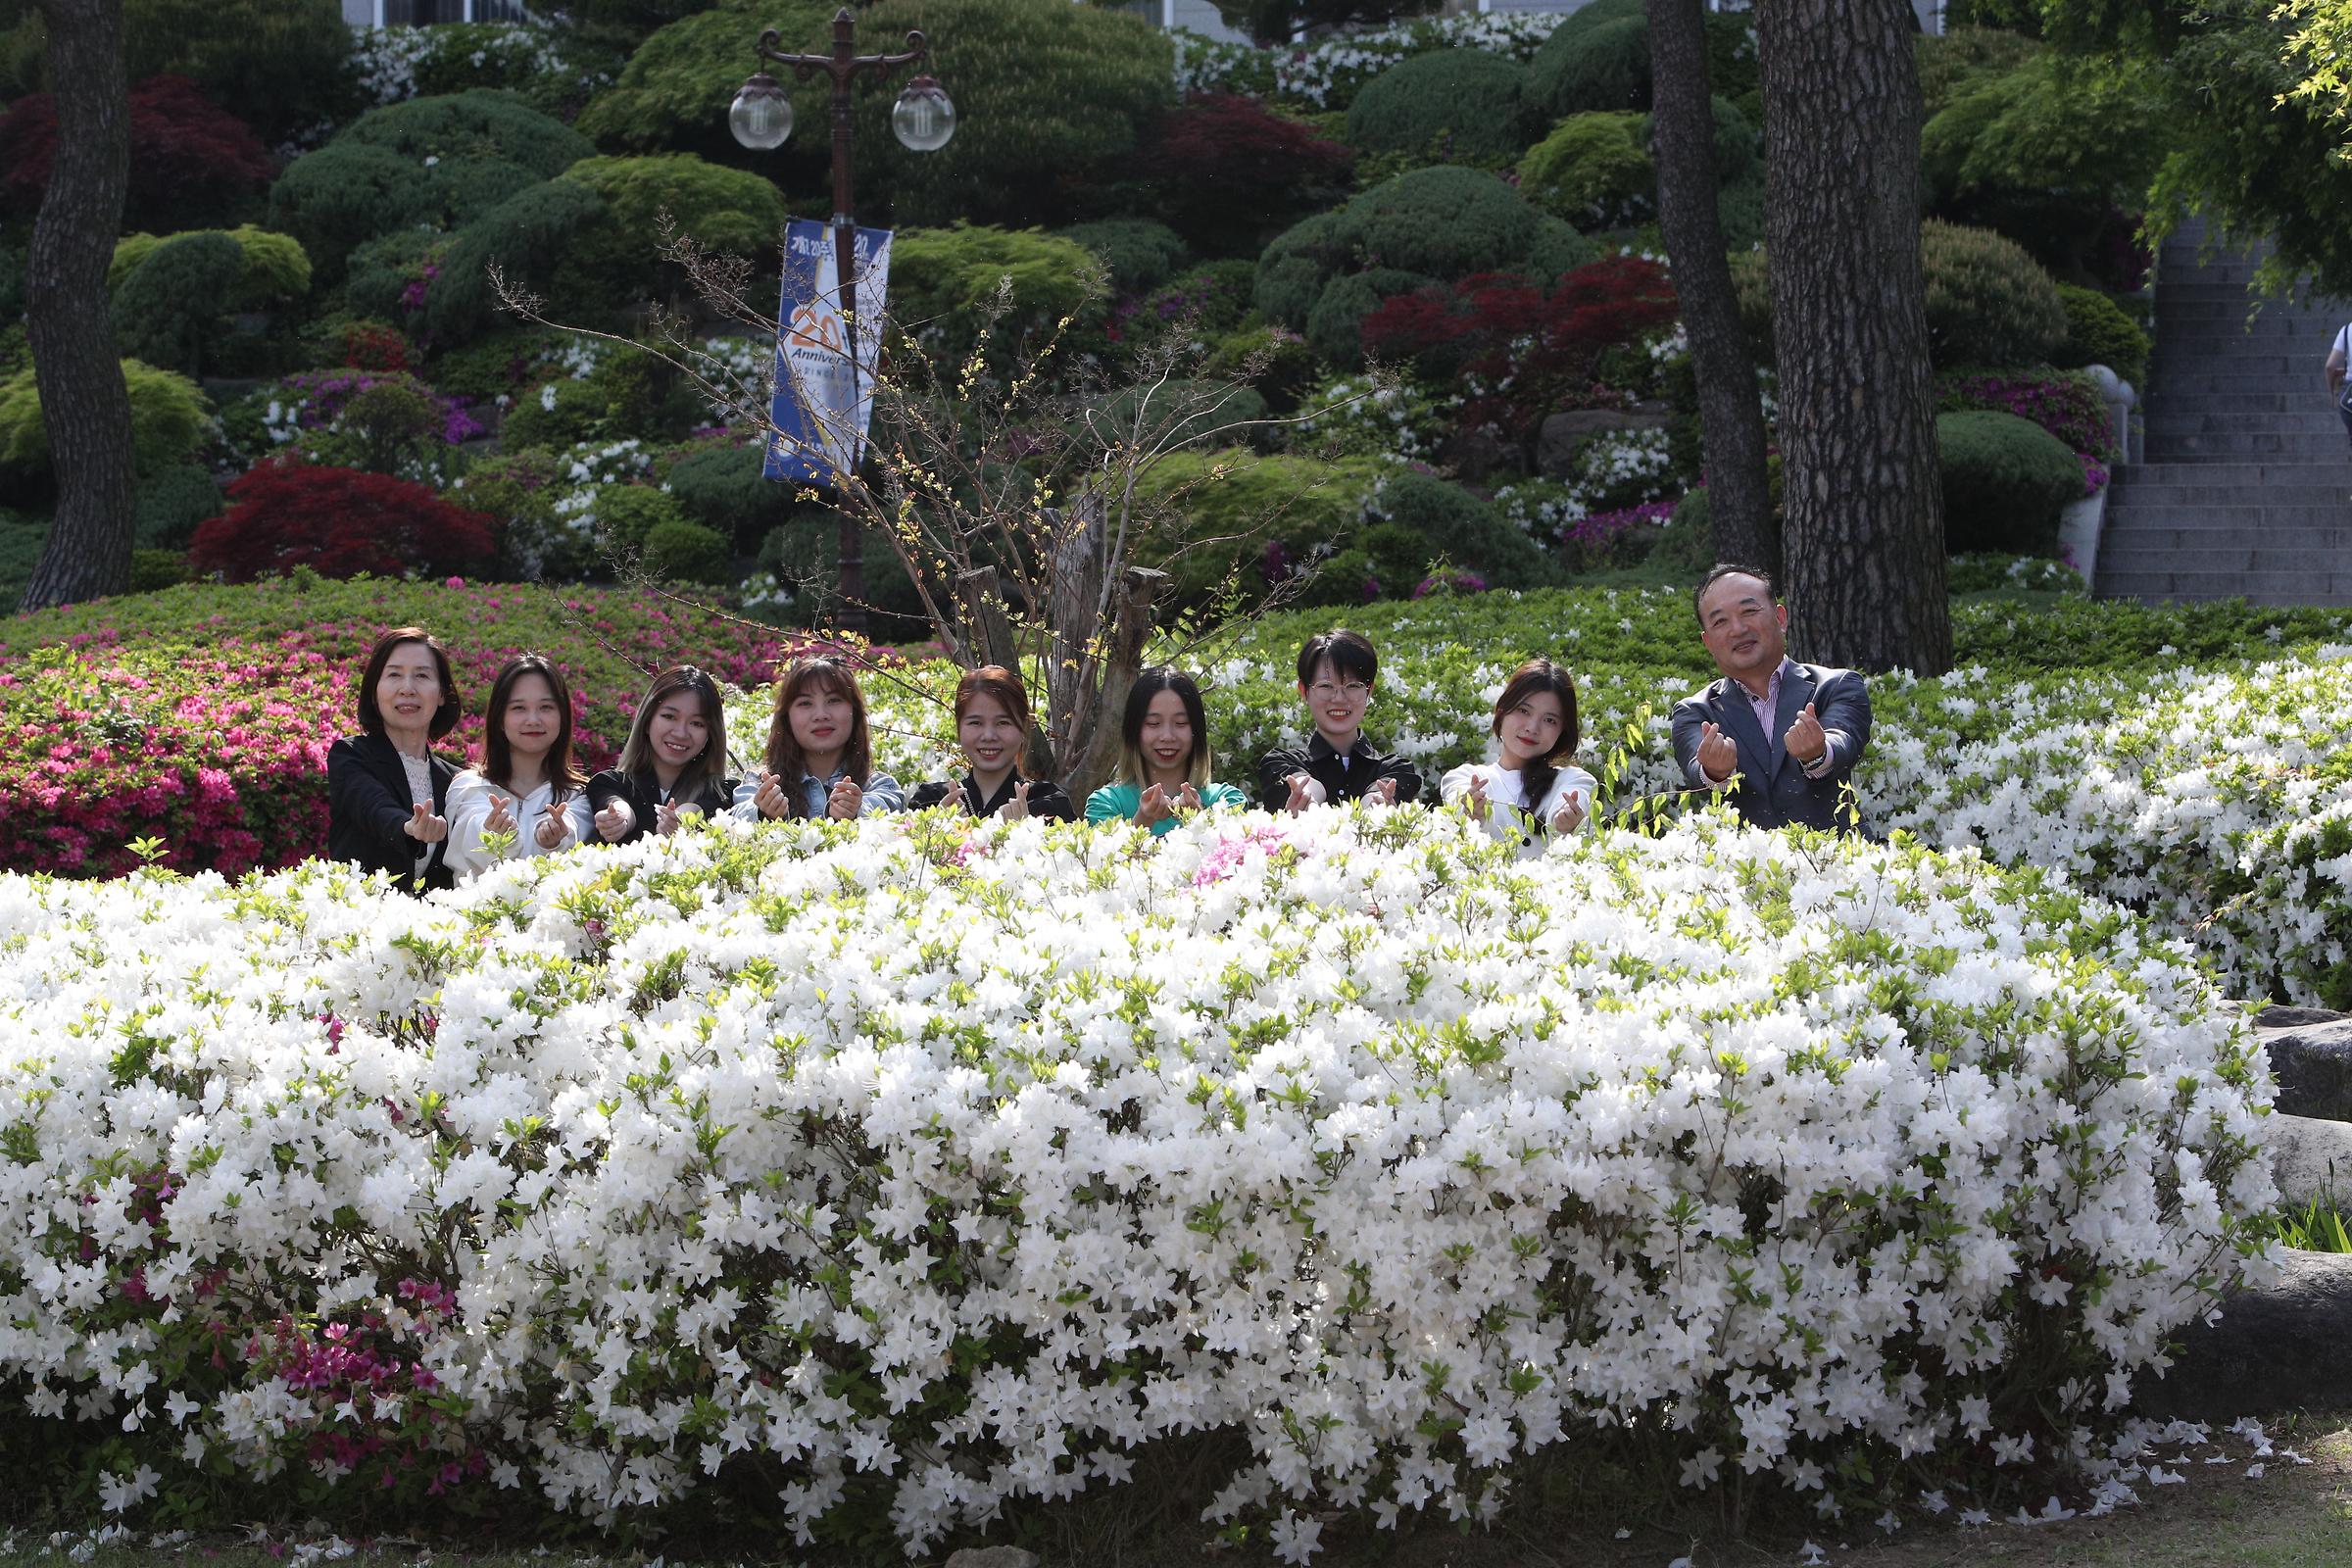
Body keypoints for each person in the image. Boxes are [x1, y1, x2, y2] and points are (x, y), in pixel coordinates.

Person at [1669, 564, 1872, 831]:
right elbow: (1698, 771)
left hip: (1837, 862)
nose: (1738, 629)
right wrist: (1715, 772)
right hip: (1746, 867)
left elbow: (1843, 740)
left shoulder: (1836, 685)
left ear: (1780, 618)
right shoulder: (1695, 711)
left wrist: (1818, 753)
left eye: (1749, 611)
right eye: (1720, 621)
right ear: (1707, 642)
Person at [326, 626, 464, 893]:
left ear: (442, 694)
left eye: (422, 675)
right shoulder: (351, 756)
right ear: (375, 692)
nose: (407, 688)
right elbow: (375, 808)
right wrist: (407, 828)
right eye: (394, 675)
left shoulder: (455, 781)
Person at [445, 653, 595, 877]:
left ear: (562, 717)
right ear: (500, 719)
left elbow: (573, 826)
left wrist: (555, 840)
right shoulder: (470, 788)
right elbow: (470, 837)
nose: (533, 719)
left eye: (546, 707)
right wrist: (493, 833)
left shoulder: (580, 795)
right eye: (518, 708)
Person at [1440, 658, 1597, 856]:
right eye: (1523, 711)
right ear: (1502, 710)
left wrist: (1567, 820)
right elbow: (1458, 801)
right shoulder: (1464, 778)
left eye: (1549, 720)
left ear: (1562, 731)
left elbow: (1576, 797)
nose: (1532, 728)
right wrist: (1471, 810)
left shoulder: (1572, 779)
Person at [1256, 629, 1423, 813]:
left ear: (1369, 691)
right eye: (1326, 686)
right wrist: (1306, 799)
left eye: (1353, 686)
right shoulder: (1279, 763)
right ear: (1304, 691)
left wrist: (1378, 807)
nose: (1339, 698)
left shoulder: (1396, 769)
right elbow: (1305, 785)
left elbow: (1376, 796)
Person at [731, 657, 905, 821]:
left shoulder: (879, 785)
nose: (821, 715)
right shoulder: (760, 782)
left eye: (834, 700)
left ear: (855, 712)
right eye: (805, 703)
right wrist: (761, 812)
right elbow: (735, 819)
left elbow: (892, 809)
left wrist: (859, 810)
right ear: (786, 717)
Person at [1084, 667, 1249, 836]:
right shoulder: (1107, 804)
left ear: (1196, 732)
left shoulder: (1226, 800)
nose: (1167, 736)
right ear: (1134, 731)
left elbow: (1232, 853)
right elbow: (1104, 859)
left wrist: (1200, 821)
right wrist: (1142, 821)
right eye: (1153, 723)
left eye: (1181, 723)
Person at [586, 665, 735, 847]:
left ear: (710, 734)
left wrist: (683, 821)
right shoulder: (610, 783)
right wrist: (618, 819)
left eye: (697, 723)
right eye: (669, 716)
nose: (681, 733)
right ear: (647, 721)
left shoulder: (724, 793)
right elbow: (619, 805)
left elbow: (700, 809)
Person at [907, 664, 1076, 822]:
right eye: (975, 723)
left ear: (1024, 728)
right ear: (958, 728)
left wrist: (1027, 831)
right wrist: (937, 831)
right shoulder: (931, 802)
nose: (989, 736)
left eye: (1003, 723)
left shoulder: (1049, 804)